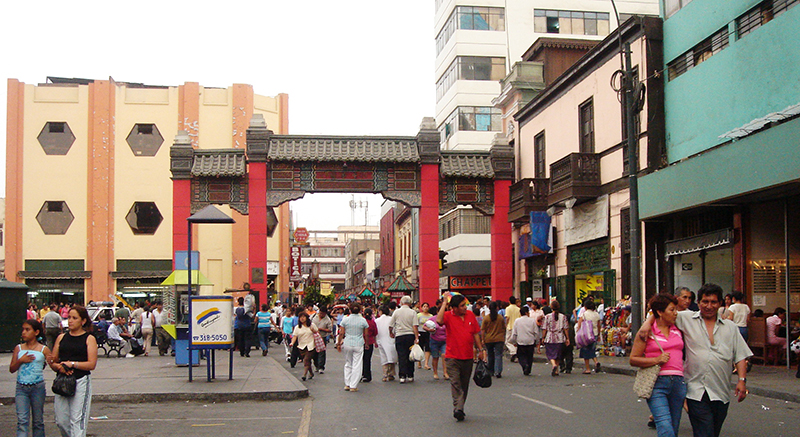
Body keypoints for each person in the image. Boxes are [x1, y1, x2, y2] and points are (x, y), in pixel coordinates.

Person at [637, 283, 751, 437]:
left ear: (720, 304)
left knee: (713, 431)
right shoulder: (686, 318)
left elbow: (740, 355)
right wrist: (647, 324)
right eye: (705, 302)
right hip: (695, 390)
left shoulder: (730, 327)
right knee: (703, 431)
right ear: (698, 303)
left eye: (713, 302)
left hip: (720, 390)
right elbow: (662, 312)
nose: (709, 306)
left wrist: (742, 380)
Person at [630, 294, 686, 437]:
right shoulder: (647, 332)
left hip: (678, 383)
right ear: (660, 312)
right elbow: (633, 359)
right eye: (672, 310)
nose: (675, 313)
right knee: (665, 425)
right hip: (657, 384)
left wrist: (649, 319)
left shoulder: (678, 327)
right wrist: (657, 360)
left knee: (674, 426)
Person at [49, 306, 98, 437]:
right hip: (62, 381)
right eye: (69, 317)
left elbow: (91, 364)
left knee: (77, 419)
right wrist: (58, 366)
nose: (70, 321)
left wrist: (73, 364)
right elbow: (53, 361)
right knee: (61, 420)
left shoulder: (89, 338)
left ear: (82, 321)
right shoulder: (61, 337)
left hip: (80, 380)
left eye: (74, 318)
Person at [436, 294, 485, 422]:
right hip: (452, 356)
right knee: (455, 382)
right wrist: (444, 303)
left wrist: (481, 350)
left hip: (468, 356)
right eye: (462, 306)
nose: (465, 307)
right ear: (454, 308)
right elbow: (439, 321)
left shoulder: (470, 315)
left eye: (465, 305)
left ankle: (460, 407)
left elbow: (475, 334)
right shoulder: (448, 316)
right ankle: (458, 408)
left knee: (464, 384)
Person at [10, 319, 50, 437]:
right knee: (22, 420)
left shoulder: (43, 349)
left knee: (38, 421)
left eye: (27, 330)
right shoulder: (19, 348)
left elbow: (51, 362)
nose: (24, 332)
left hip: (37, 387)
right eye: (23, 330)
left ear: (36, 332)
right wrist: (20, 360)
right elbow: (12, 368)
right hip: (21, 387)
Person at [337, 303, 369, 391]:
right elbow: (366, 334)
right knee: (357, 364)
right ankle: (353, 385)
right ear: (360, 310)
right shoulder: (363, 320)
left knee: (348, 363)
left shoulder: (345, 320)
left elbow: (341, 333)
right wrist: (367, 343)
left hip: (347, 343)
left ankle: (347, 383)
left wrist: (339, 343)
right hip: (358, 343)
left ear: (350, 310)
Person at [389, 295, 419, 383]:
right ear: (410, 303)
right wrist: (416, 337)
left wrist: (391, 332)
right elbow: (415, 326)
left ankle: (402, 376)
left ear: (401, 303)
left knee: (401, 356)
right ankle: (410, 375)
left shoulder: (396, 312)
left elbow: (391, 325)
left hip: (400, 336)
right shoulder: (413, 312)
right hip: (410, 335)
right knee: (410, 355)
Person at [542, 300, 569, 377]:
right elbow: (565, 328)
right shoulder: (563, 317)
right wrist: (567, 338)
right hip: (560, 337)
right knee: (558, 354)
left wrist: (543, 337)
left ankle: (554, 365)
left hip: (550, 337)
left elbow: (544, 328)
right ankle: (556, 369)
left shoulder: (547, 317)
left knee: (550, 353)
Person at [511, 306, 539, 375]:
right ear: (527, 313)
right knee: (529, 356)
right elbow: (536, 332)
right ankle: (528, 368)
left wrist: (513, 341)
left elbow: (514, 332)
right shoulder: (532, 320)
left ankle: (524, 365)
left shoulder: (517, 321)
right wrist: (537, 341)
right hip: (530, 341)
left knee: (521, 356)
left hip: (521, 341)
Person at [480, 301, 506, 378]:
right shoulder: (500, 318)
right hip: (499, 338)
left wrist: (482, 339)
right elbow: (503, 328)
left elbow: (483, 330)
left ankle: (491, 370)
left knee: (490, 354)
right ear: (497, 308)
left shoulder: (486, 318)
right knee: (498, 355)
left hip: (489, 338)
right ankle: (498, 371)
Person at [290, 311, 318, 381]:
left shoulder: (312, 325)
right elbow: (295, 336)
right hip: (302, 346)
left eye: (303, 317)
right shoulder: (297, 327)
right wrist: (292, 343)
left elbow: (317, 332)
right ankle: (311, 373)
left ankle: (304, 375)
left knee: (306, 360)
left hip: (311, 345)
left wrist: (313, 331)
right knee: (307, 361)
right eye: (300, 317)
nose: (302, 318)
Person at [576, 299, 602, 374]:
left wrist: (578, 332)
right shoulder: (596, 314)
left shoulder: (584, 314)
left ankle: (588, 369)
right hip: (595, 334)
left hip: (586, 335)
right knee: (592, 350)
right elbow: (598, 325)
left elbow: (579, 324)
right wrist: (599, 334)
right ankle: (596, 362)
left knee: (585, 351)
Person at [375, 305, 398, 381]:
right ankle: (391, 373)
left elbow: (376, 331)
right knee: (391, 356)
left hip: (380, 339)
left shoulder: (377, 320)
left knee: (384, 357)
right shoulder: (391, 319)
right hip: (391, 339)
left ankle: (385, 374)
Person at [311, 306, 333, 373]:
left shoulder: (327, 320)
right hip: (313, 336)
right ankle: (316, 365)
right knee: (314, 352)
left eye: (323, 314)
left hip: (322, 336)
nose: (321, 315)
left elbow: (330, 330)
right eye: (320, 313)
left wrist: (321, 329)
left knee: (321, 352)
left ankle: (321, 367)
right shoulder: (314, 317)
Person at [362, 307, 379, 383]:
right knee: (367, 359)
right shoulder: (372, 323)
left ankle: (361, 374)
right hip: (370, 342)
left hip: (361, 341)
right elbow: (375, 333)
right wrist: (375, 342)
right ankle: (367, 375)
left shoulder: (362, 322)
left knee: (360, 359)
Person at [416, 302, 433, 370]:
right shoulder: (419, 315)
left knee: (428, 348)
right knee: (420, 347)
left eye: (427, 306)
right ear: (422, 308)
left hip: (428, 333)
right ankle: (419, 361)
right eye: (424, 306)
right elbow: (415, 324)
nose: (425, 308)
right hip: (420, 332)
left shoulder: (431, 316)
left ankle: (426, 363)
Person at [504, 296, 521, 362]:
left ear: (509, 301)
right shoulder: (518, 309)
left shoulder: (508, 308)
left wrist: (506, 325)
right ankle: (515, 355)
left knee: (507, 341)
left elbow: (507, 318)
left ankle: (513, 352)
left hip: (510, 327)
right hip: (517, 327)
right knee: (515, 342)